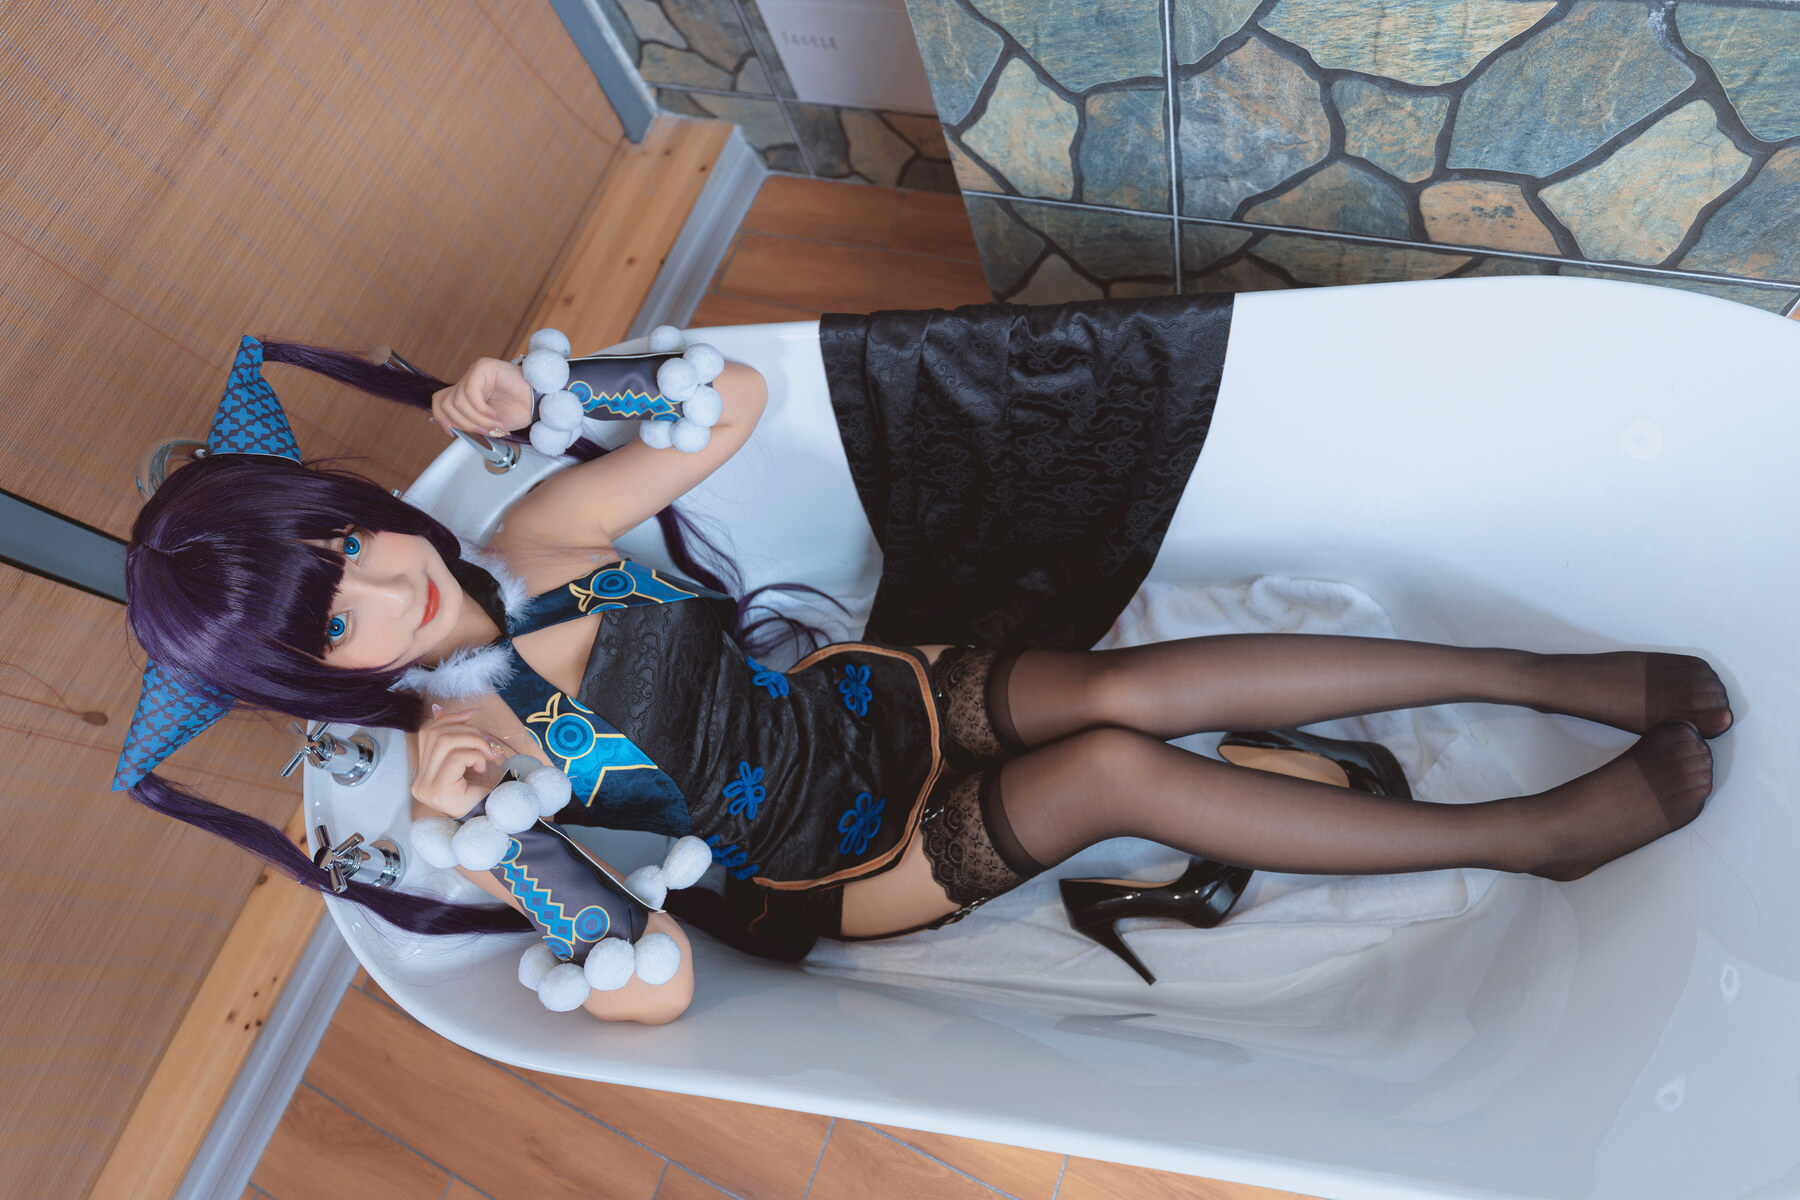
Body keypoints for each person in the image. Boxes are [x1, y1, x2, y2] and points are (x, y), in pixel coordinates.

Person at [118, 330, 1731, 1027]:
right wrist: (511, 841)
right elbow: (655, 989)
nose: (381, 583)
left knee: (1124, 687)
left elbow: (735, 400)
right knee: (1112, 772)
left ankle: (1542, 675)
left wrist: (553, 397)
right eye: (333, 622)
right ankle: (1529, 838)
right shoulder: (453, 773)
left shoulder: (535, 535)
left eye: (344, 542)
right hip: (836, 865)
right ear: (306, 680)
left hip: (862, 702)